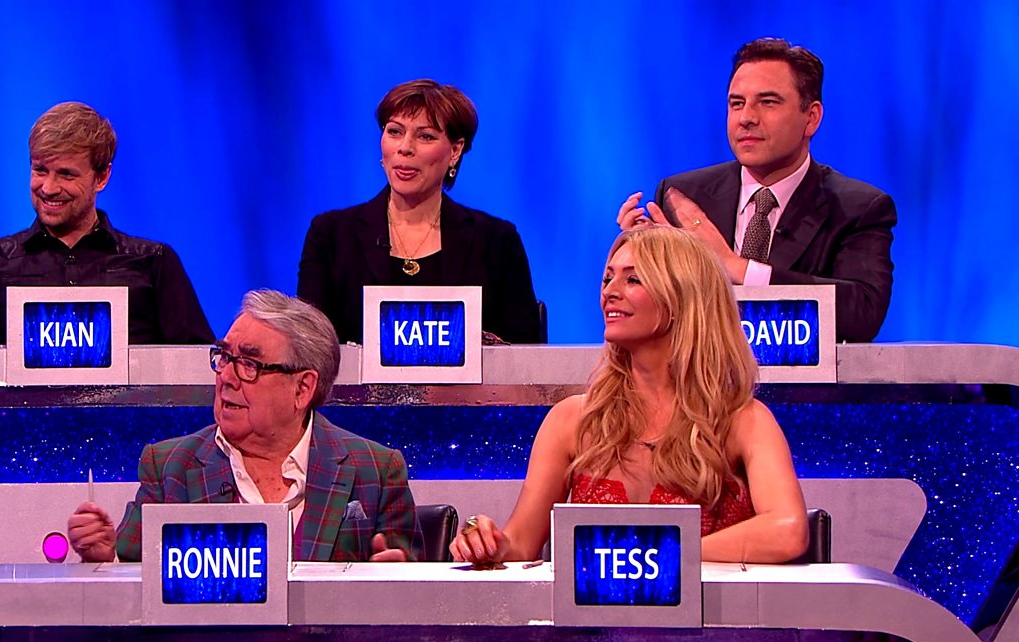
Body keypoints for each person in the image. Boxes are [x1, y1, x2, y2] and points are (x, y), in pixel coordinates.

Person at [450, 226, 809, 565]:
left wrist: (660, 555)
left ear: (682, 297)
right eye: (608, 278)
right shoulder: (572, 420)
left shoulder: (741, 420)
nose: (610, 291)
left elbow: (788, 531)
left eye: (633, 279)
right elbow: (520, 545)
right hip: (595, 615)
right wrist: (485, 541)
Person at [67, 289, 423, 562]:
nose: (226, 377)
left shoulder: (375, 470)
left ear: (302, 388)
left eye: (249, 364)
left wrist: (396, 581)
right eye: (224, 357)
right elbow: (133, 584)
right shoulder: (171, 467)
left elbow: (415, 590)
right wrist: (106, 560)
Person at [618, 38, 896, 343]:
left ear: (811, 117)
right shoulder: (682, 197)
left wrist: (735, 268)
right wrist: (639, 261)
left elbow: (862, 314)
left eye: (768, 102)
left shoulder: (856, 208)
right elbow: (656, 318)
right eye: (737, 103)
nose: (746, 118)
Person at [0, 102, 213, 345]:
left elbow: (196, 371)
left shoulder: (154, 264)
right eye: (40, 170)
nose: (48, 188)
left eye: (66, 175)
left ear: (102, 177)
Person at [298, 79, 542, 345]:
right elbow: (311, 348)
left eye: (425, 136)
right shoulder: (331, 236)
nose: (405, 148)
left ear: (455, 150)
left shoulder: (496, 242)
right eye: (394, 132)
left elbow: (524, 355)